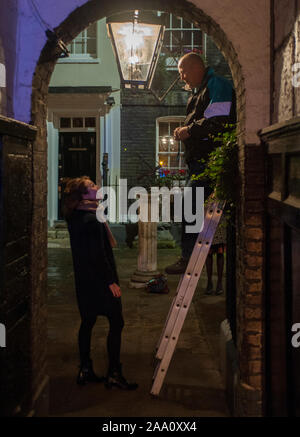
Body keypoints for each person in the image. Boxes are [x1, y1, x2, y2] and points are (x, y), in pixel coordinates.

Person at [63, 176, 138, 390]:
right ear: (84, 195)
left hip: (83, 280)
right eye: (91, 186)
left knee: (87, 322)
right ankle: (114, 372)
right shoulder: (92, 219)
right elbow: (99, 254)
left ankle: (85, 369)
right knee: (117, 322)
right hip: (100, 281)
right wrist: (111, 282)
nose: (96, 187)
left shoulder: (75, 216)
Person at [165, 52, 236, 275]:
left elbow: (219, 118)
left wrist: (189, 130)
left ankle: (189, 257)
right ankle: (190, 255)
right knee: (185, 207)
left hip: (208, 162)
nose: (182, 77)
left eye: (183, 72)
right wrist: (185, 130)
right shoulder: (201, 92)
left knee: (188, 206)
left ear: (197, 68)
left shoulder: (217, 84)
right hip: (197, 164)